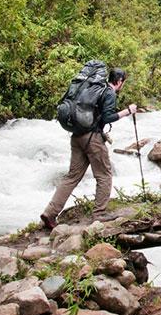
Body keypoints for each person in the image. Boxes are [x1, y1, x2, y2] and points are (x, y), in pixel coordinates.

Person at [40, 67, 137, 229]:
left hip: (76, 136)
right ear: (119, 81)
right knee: (104, 175)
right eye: (123, 82)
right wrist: (127, 111)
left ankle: (50, 213)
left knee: (72, 176)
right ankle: (99, 214)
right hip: (92, 139)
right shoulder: (109, 93)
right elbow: (107, 118)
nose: (123, 85)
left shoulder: (92, 89)